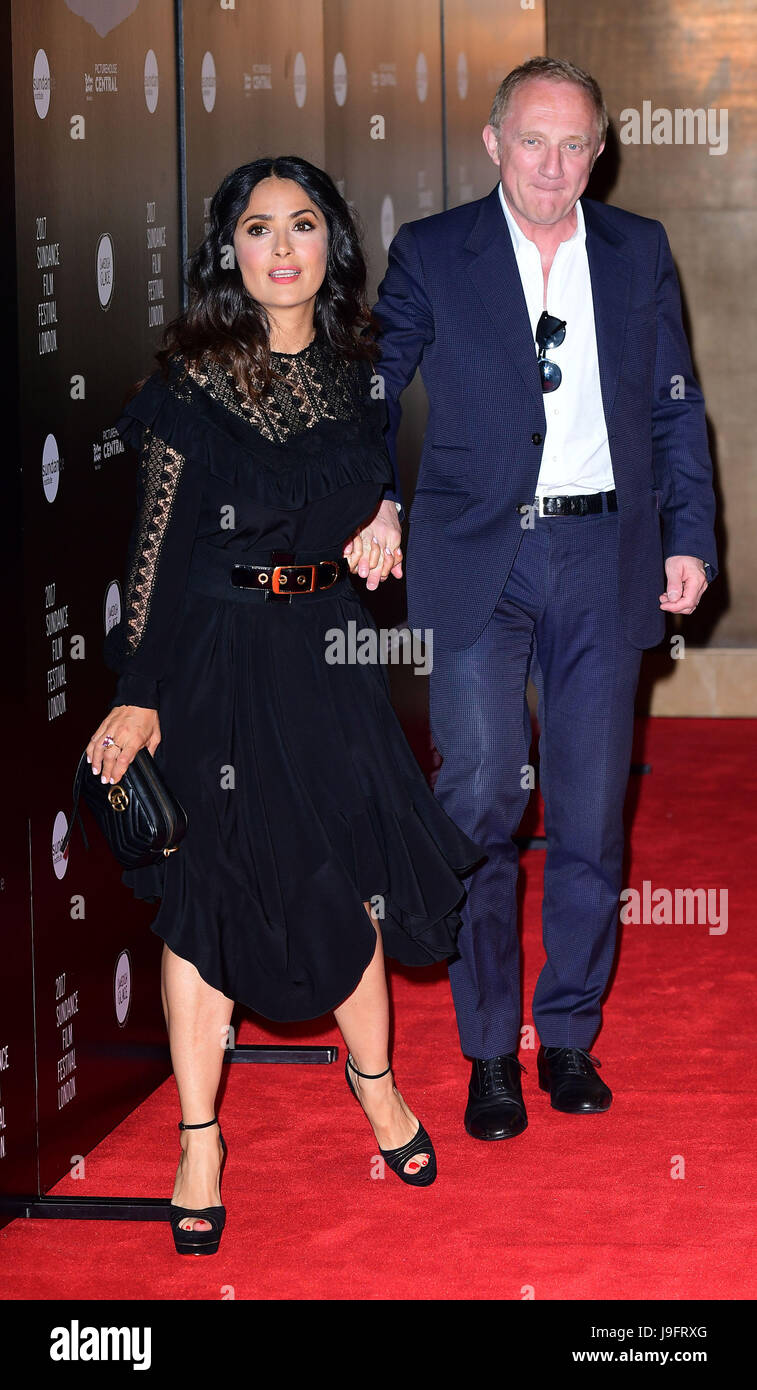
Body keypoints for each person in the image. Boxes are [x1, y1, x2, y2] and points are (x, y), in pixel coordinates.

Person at [86, 155, 484, 1253]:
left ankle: (378, 1087)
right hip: (217, 661)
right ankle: (200, 1138)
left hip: (328, 657)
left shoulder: (360, 375)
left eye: (300, 225)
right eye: (256, 229)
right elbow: (154, 557)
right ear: (232, 251)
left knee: (348, 872)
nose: (278, 247)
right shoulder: (188, 387)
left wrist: (384, 522)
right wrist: (139, 694)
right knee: (209, 896)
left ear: (329, 247)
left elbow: (371, 492)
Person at [363, 57, 718, 1140]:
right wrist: (374, 499)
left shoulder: (638, 249)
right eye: (532, 141)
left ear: (598, 151)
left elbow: (673, 408)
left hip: (604, 551)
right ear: (491, 143)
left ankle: (563, 1033)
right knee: (477, 793)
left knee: (590, 809)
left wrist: (688, 538)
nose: (553, 166)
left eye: (574, 145)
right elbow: (373, 390)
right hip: (479, 556)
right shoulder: (431, 252)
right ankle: (485, 1052)